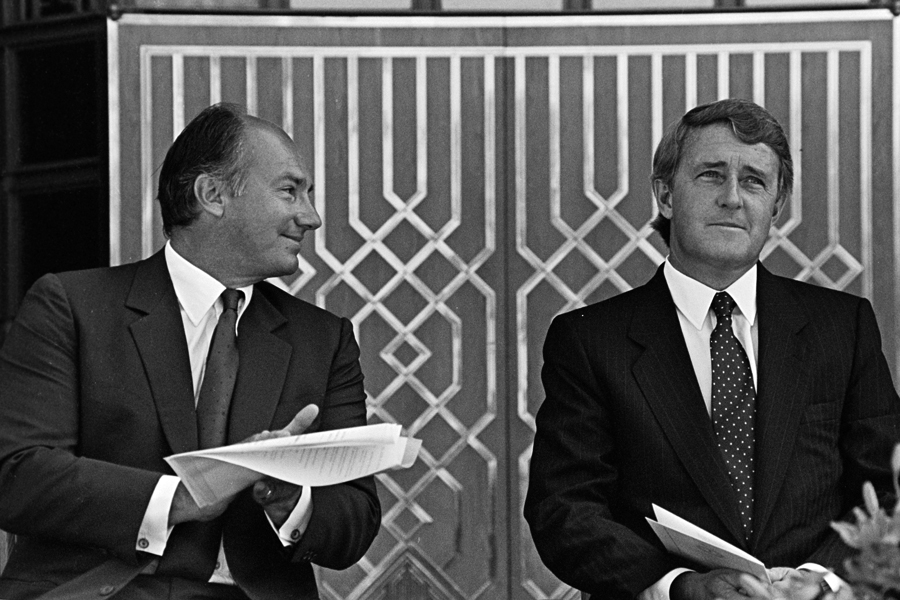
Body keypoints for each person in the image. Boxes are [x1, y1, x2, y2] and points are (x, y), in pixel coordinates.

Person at [0, 103, 380, 599]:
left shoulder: (325, 340)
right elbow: (18, 473)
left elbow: (356, 517)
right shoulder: (70, 307)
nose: (311, 217)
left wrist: (291, 502)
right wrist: (184, 496)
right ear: (212, 195)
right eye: (290, 191)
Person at [524, 98, 900, 600]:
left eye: (754, 181)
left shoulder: (843, 327)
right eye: (710, 175)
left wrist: (821, 580)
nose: (732, 198)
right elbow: (563, 507)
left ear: (776, 206)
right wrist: (678, 586)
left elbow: (886, 492)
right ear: (665, 195)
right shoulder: (590, 341)